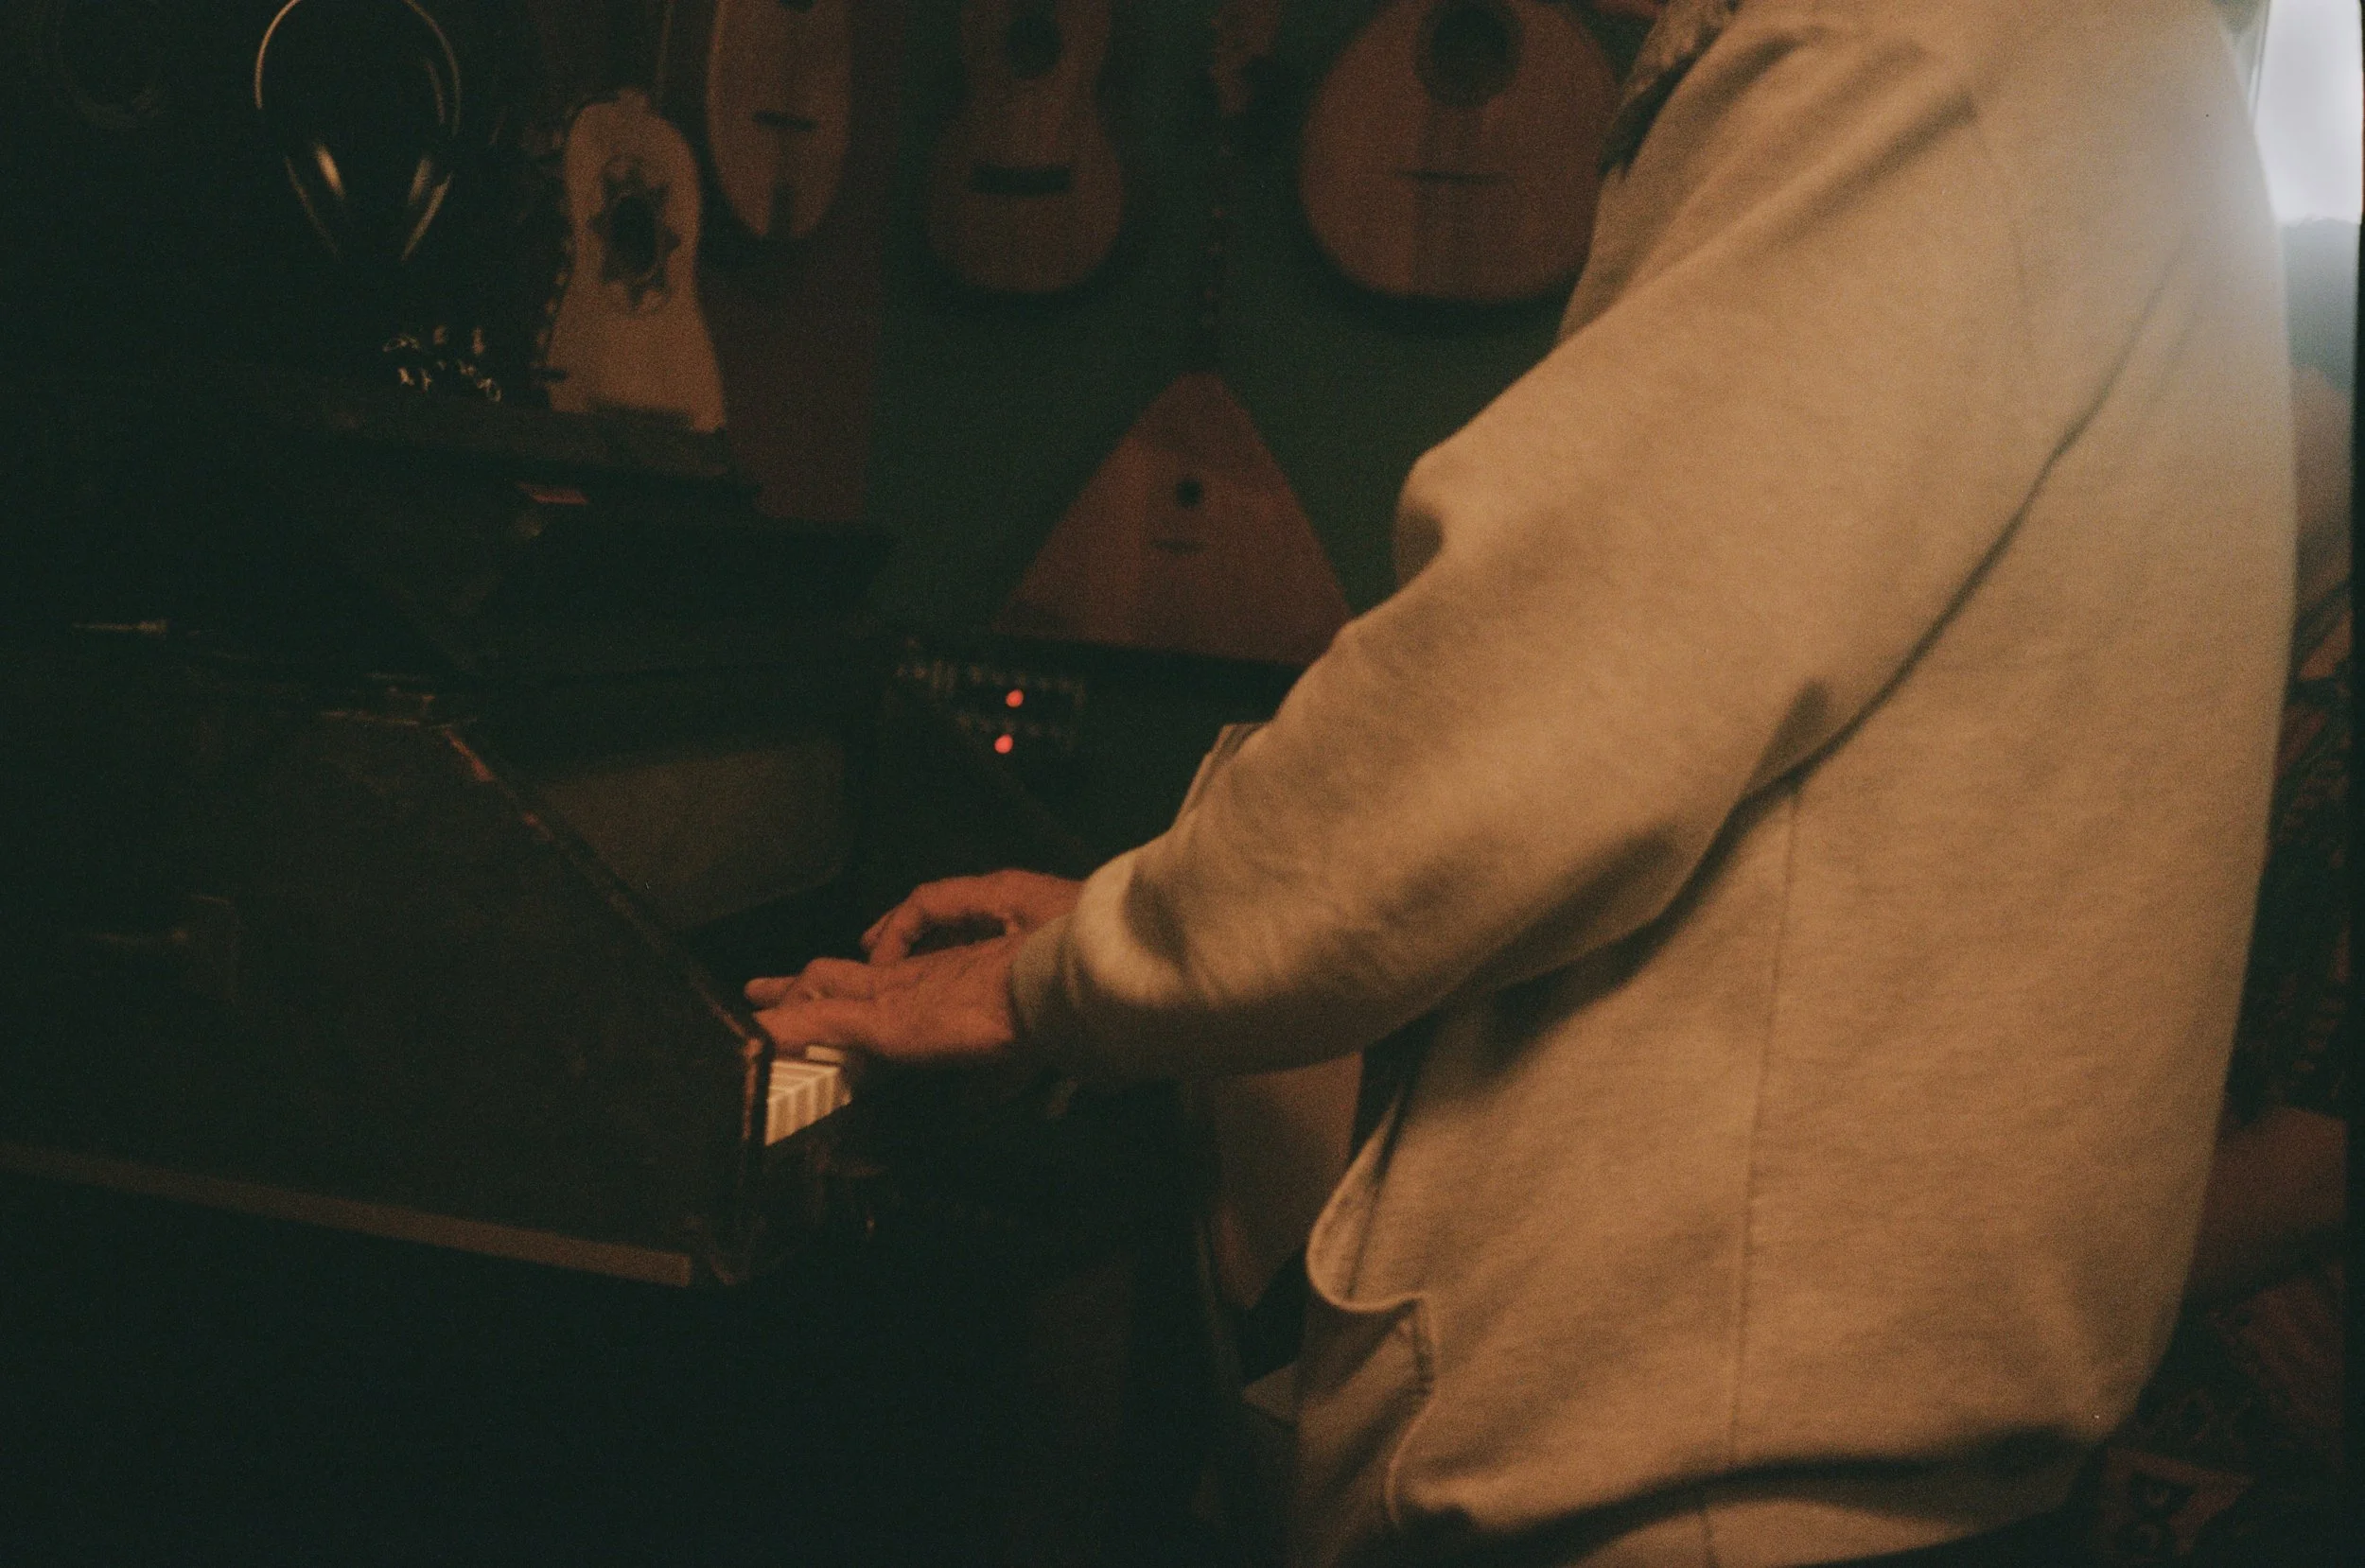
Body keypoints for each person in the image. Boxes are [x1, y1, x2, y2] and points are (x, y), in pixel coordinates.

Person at [751, 2, 2300, 1564]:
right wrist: (1133, 919)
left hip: (1712, 1501)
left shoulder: (1930, 42)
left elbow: (1535, 701)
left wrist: (1066, 980)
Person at [2073, 218, 2353, 1568]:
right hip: (2092, 1363)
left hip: (2258, 1428)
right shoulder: (2159, 678)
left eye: (2274, 378)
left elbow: (2316, 1164)